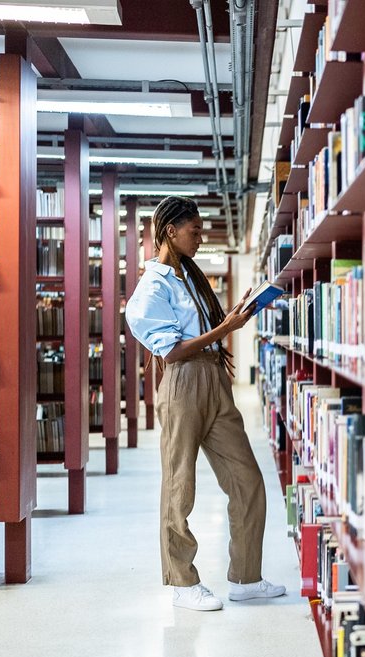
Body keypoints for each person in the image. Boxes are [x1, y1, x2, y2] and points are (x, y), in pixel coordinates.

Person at [123, 195, 286, 611]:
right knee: (180, 485)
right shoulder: (150, 290)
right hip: (183, 385)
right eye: (193, 231)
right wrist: (225, 330)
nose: (200, 238)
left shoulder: (191, 277)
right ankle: (181, 583)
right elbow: (172, 351)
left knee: (247, 480)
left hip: (215, 379)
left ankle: (246, 577)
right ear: (169, 231)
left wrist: (232, 318)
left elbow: (202, 331)